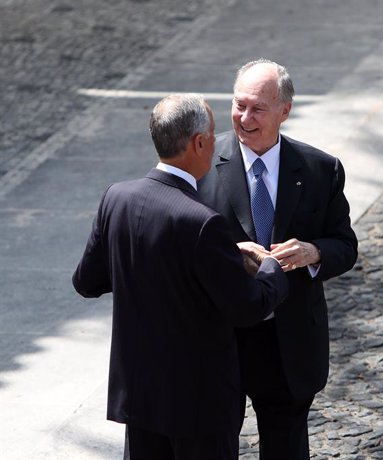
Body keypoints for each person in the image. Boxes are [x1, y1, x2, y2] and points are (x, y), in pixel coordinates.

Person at [72, 93, 289, 460]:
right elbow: (249, 306)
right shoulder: (202, 223)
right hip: (198, 405)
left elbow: (87, 282)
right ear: (199, 143)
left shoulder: (117, 198)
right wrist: (272, 267)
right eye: (214, 134)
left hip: (139, 398)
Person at [197, 59, 358, 459]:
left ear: (285, 110)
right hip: (222, 339)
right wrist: (227, 254)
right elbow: (177, 245)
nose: (244, 118)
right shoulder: (200, 168)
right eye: (239, 105)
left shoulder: (321, 169)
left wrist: (313, 252)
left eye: (258, 109)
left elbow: (345, 245)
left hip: (287, 339)